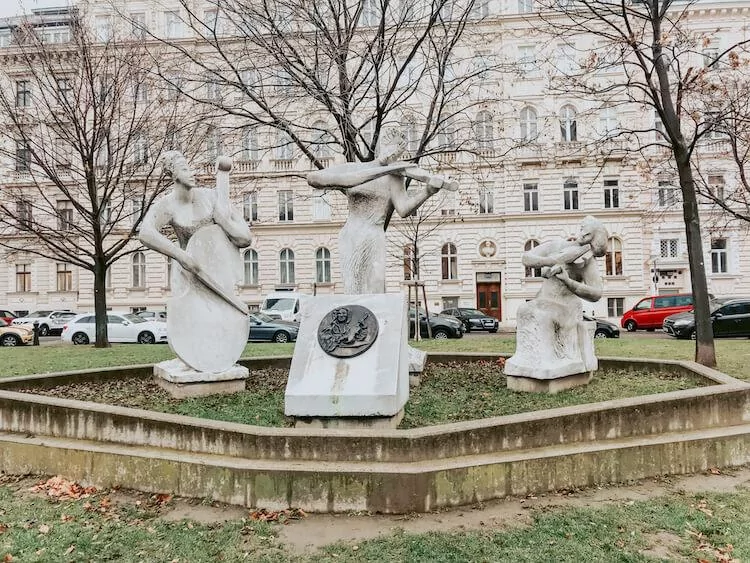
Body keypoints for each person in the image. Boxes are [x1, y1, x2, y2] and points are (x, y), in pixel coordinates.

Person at [307, 144, 458, 294]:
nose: (392, 154)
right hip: (352, 235)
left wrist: (428, 191)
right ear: (382, 146)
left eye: (397, 152)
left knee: (375, 289)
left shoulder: (394, 177)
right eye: (390, 147)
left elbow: (404, 209)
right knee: (353, 289)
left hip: (375, 235)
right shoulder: (352, 168)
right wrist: (372, 173)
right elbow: (313, 178)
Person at [505, 216, 608, 377]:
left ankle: (547, 363)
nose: (582, 236)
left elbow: (596, 293)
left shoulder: (587, 260)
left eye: (588, 235)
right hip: (543, 300)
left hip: (566, 307)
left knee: (544, 316)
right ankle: (525, 360)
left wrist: (569, 282)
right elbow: (526, 258)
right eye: (582, 230)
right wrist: (551, 260)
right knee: (523, 309)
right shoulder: (558, 245)